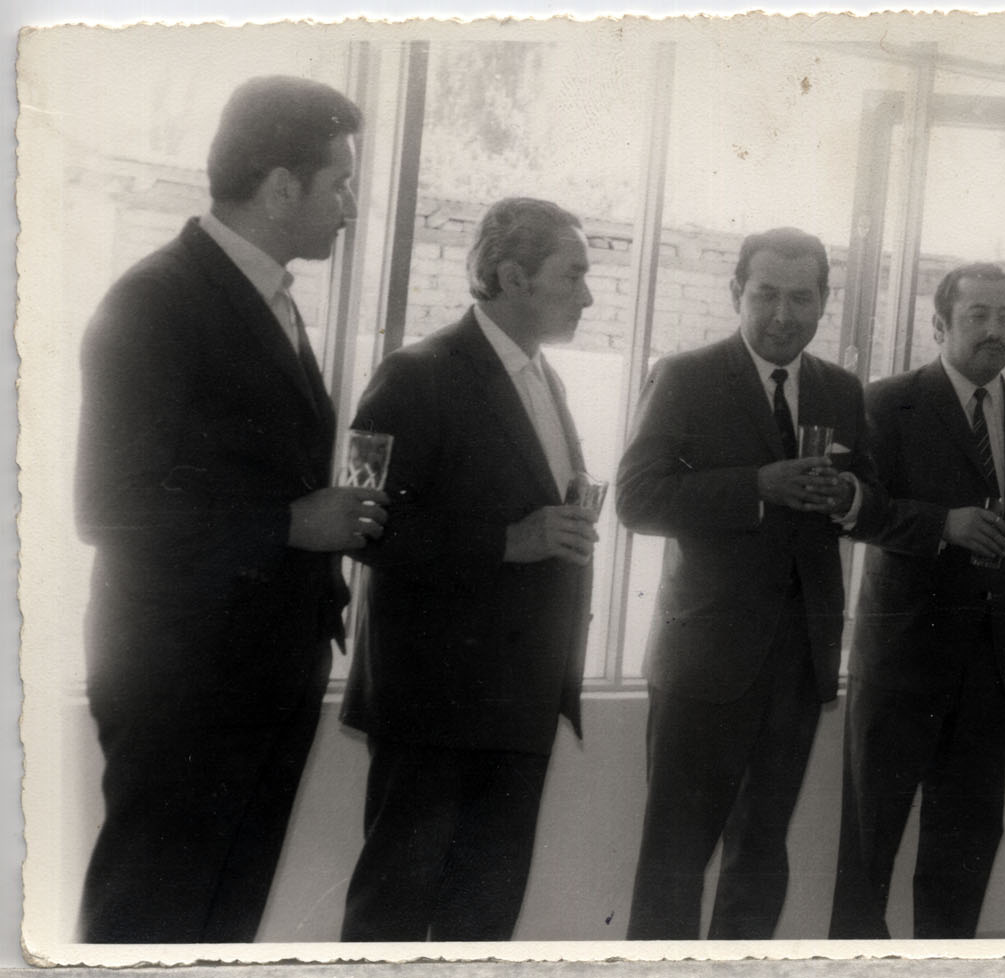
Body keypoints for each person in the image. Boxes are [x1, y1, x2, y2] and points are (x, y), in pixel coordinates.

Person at [74, 75, 387, 943]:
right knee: (148, 927)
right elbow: (109, 507)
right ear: (281, 187)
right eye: (340, 184)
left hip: (258, 676)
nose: (350, 208)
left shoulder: (264, 297)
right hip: (182, 687)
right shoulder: (154, 301)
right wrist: (292, 524)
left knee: (220, 930)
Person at [338, 197, 599, 941]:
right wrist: (506, 541)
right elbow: (360, 525)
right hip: (433, 708)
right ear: (513, 277)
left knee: (483, 925)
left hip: (520, 705)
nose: (587, 295)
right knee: (390, 923)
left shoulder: (547, 381)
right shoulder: (411, 374)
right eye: (573, 274)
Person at [618, 227, 885, 940]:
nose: (783, 315)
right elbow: (636, 500)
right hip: (702, 663)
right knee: (675, 860)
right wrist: (756, 487)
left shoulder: (840, 389)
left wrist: (849, 497)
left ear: (823, 302)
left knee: (762, 856)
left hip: (798, 663)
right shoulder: (685, 376)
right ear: (737, 292)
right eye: (766, 294)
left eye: (801, 298)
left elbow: (876, 503)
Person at [828, 263, 1005, 939]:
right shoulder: (887, 402)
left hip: (991, 661)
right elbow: (856, 511)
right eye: (977, 316)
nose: (994, 330)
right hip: (903, 657)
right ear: (939, 324)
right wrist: (941, 525)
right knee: (869, 845)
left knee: (967, 841)